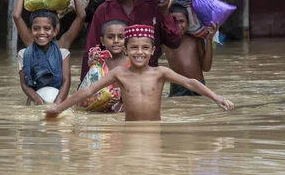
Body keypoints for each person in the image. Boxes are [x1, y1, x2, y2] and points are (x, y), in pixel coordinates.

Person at [46, 25, 234, 121]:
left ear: (153, 52)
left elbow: (191, 83)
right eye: (134, 47)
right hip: (130, 128)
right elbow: (88, 91)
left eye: (145, 48)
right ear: (126, 51)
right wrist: (59, 108)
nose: (139, 52)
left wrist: (217, 98)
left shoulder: (160, 72)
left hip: (154, 128)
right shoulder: (119, 73)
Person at [80, 0, 181, 81]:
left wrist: (165, 11)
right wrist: (85, 87)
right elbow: (90, 50)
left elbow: (174, 42)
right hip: (114, 83)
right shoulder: (104, 10)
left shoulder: (154, 7)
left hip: (149, 80)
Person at [13, 0, 86, 105]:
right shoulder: (28, 48)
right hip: (36, 101)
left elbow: (81, 17)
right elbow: (17, 17)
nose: (42, 33)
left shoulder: (62, 48)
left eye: (47, 28)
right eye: (37, 28)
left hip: (58, 100)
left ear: (55, 28)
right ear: (31, 30)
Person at [164, 4, 219, 97]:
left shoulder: (196, 40)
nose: (178, 25)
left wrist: (209, 40)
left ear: (188, 23)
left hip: (198, 86)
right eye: (174, 21)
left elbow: (206, 68)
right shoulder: (165, 41)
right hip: (177, 87)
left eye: (181, 21)